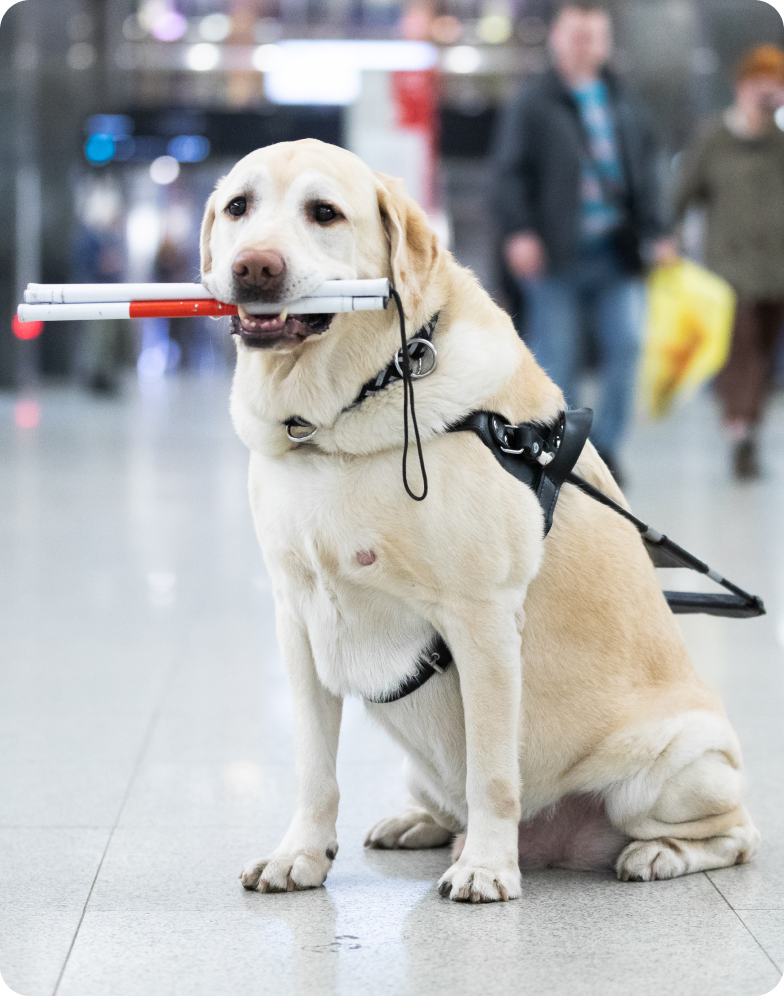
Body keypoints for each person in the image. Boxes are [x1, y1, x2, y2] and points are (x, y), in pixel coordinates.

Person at [491, 1, 676, 484]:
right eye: (575, 35)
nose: (584, 45)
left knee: (629, 345)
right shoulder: (533, 101)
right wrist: (519, 231)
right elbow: (509, 174)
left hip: (617, 252)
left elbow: (647, 171)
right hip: (555, 256)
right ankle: (563, 454)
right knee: (558, 359)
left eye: (593, 36)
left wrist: (659, 231)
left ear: (606, 41)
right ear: (556, 38)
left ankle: (607, 449)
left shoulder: (624, 98)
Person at [674, 45, 784, 480]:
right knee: (740, 354)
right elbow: (684, 193)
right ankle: (739, 433)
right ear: (743, 86)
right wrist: (670, 233)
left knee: (766, 355)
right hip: (729, 270)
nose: (769, 92)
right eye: (763, 83)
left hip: (777, 268)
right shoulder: (714, 139)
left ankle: (750, 429)